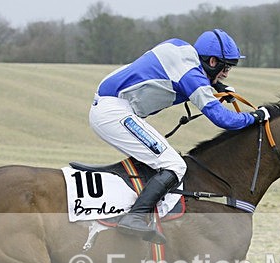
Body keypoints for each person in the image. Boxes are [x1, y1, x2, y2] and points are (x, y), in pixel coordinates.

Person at [89, 29, 270, 244]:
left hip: (111, 105)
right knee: (174, 165)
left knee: (161, 161)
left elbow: (183, 74)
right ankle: (135, 218)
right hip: (114, 112)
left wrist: (215, 85)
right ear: (212, 61)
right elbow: (224, 120)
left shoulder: (179, 46)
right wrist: (256, 116)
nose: (227, 73)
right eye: (225, 67)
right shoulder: (191, 76)